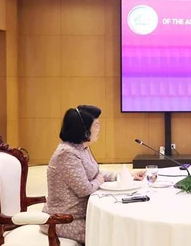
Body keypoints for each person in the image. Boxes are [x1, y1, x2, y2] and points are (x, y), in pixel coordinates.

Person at [40, 105, 145, 245]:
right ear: (84, 131)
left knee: (122, 226)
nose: (99, 129)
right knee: (115, 234)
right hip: (63, 220)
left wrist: (125, 175)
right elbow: (85, 189)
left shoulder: (81, 147)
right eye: (96, 125)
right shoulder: (66, 154)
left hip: (83, 215)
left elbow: (96, 174)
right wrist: (98, 180)